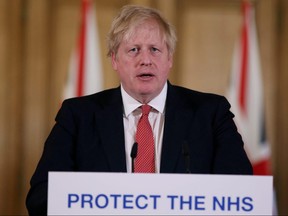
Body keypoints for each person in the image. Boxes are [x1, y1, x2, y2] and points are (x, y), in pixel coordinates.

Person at [26, 4, 253, 215]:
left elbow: (241, 194)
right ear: (114, 59)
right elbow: (41, 197)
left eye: (155, 49)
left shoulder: (211, 114)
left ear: (169, 58)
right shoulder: (78, 116)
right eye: (133, 50)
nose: (145, 60)